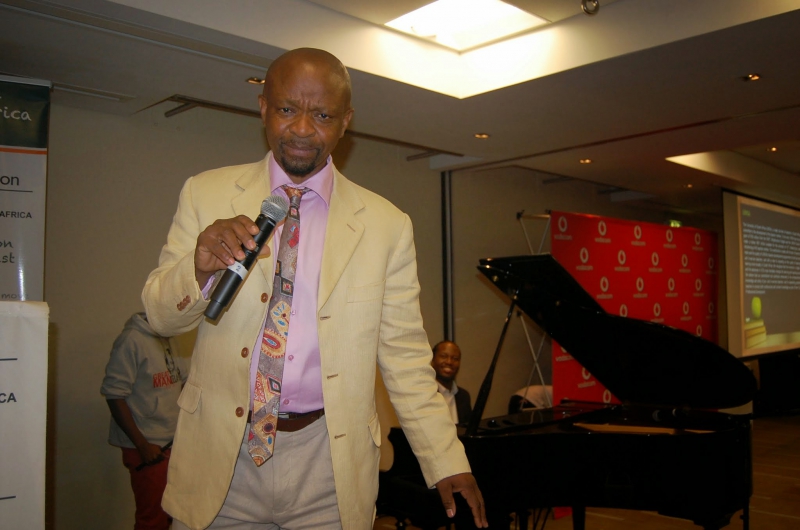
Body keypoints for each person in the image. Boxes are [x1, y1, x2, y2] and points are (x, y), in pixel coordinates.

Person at [141, 48, 487, 530]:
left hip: (329, 464)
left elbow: (405, 356)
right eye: (287, 109)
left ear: (345, 122)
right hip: (222, 457)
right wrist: (198, 270)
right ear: (263, 107)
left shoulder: (386, 225)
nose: (302, 129)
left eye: (322, 115)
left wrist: (446, 458)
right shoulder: (205, 193)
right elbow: (160, 317)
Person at [100, 312, 190, 530]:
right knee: (152, 519)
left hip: (172, 443)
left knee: (172, 515)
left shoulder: (169, 335)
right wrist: (142, 445)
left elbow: (182, 381)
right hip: (148, 447)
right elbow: (114, 395)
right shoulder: (131, 340)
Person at [431, 340, 472, 425]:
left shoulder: (463, 396)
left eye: (455, 358)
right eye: (443, 356)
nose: (449, 362)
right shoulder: (425, 394)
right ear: (432, 360)